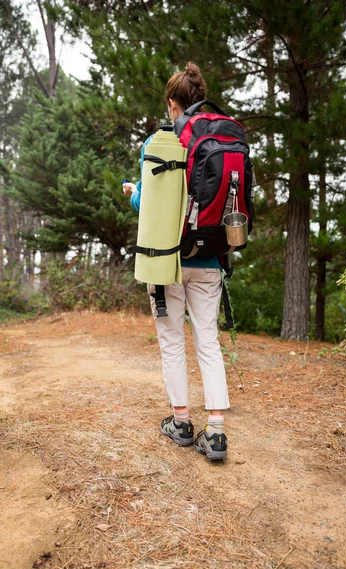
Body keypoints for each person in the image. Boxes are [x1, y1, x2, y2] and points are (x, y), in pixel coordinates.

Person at [123, 62, 229, 461]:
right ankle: (216, 431)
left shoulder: (158, 141)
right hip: (210, 260)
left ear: (172, 103)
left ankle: (181, 421)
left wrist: (134, 191)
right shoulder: (221, 137)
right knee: (208, 340)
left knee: (171, 341)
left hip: (167, 260)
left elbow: (148, 202)